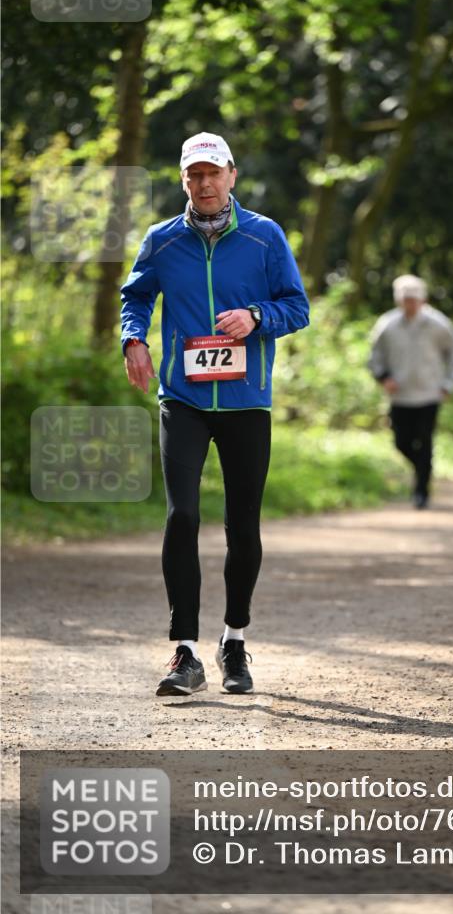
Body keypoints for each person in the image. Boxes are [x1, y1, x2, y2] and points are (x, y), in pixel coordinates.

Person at [120, 132, 309, 697]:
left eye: (212, 173)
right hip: (183, 396)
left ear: (231, 175)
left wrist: (256, 316)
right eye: (193, 175)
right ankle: (185, 652)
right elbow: (136, 296)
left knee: (242, 524)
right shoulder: (162, 240)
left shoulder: (264, 236)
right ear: (184, 181)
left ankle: (234, 642)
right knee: (181, 517)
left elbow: (296, 306)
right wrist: (133, 339)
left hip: (246, 399)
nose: (203, 184)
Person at [369, 275, 453, 509]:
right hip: (400, 395)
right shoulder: (387, 325)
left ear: (423, 300)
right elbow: (375, 356)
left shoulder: (439, 325)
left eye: (413, 299)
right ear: (398, 300)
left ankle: (421, 492)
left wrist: (448, 384)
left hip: (429, 394)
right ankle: (423, 468)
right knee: (401, 442)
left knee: (425, 441)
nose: (409, 304)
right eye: (405, 299)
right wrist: (383, 377)